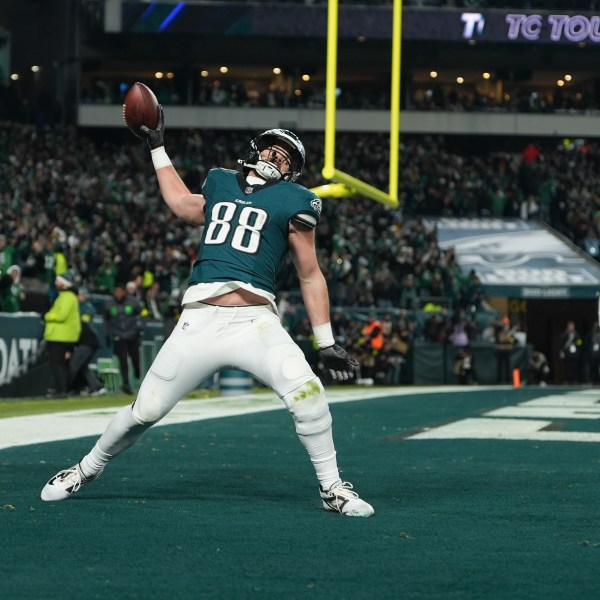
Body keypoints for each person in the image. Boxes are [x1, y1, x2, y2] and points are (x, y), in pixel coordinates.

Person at [40, 116, 374, 517]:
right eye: (271, 148)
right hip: (199, 321)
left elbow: (309, 272)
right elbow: (182, 204)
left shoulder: (295, 200)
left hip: (255, 323)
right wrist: (157, 146)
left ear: (293, 171)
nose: (275, 157)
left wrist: (326, 340)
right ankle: (85, 469)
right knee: (144, 411)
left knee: (308, 395)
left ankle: (332, 487)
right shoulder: (220, 181)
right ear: (254, 149)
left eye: (285, 157)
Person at [42, 269, 81, 397]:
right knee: (61, 365)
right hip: (64, 336)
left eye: (58, 281)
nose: (55, 283)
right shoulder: (67, 296)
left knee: (57, 365)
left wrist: (47, 316)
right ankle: (62, 389)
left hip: (60, 337)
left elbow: (61, 315)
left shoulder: (67, 297)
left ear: (65, 284)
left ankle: (61, 390)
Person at [104, 283, 144, 394]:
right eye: (116, 291)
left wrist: (139, 328)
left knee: (135, 358)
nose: (118, 294)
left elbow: (143, 314)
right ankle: (126, 384)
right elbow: (106, 320)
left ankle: (137, 372)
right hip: (118, 336)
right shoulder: (109, 304)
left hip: (132, 335)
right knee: (123, 360)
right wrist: (109, 334)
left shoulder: (132, 302)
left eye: (120, 291)